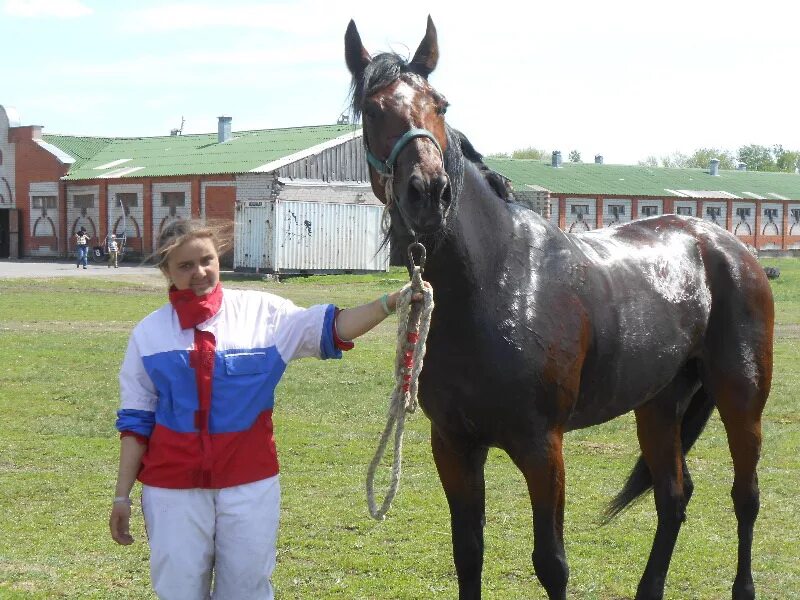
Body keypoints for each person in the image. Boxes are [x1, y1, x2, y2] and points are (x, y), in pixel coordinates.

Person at [109, 219, 415, 599]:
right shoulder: (149, 335)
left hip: (250, 484)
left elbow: (333, 327)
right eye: (185, 266)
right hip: (172, 490)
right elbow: (136, 424)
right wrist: (122, 496)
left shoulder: (265, 314)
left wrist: (389, 303)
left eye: (206, 260)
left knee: (248, 590)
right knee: (178, 590)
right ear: (166, 271)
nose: (200, 273)